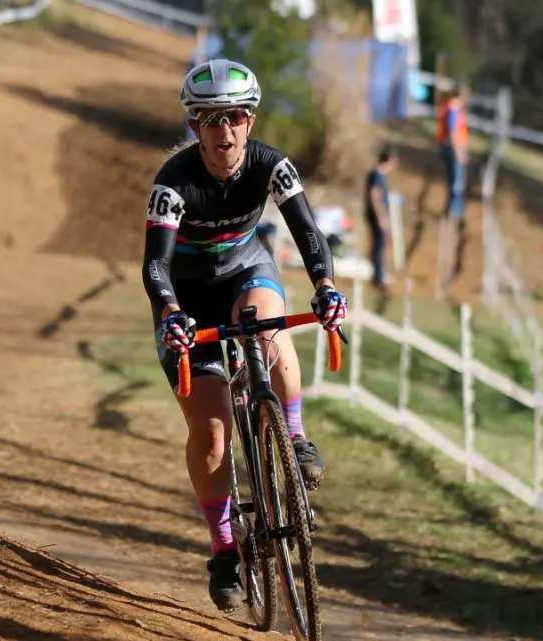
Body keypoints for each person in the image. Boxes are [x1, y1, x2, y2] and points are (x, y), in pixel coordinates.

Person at [143, 59, 348, 613]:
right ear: (193, 126)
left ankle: (296, 436)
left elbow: (308, 231)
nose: (223, 131)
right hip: (186, 299)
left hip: (244, 270)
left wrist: (325, 286)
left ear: (250, 121)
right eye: (210, 120)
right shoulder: (173, 184)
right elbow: (156, 266)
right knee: (211, 434)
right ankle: (225, 549)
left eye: (234, 117)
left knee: (265, 327)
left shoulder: (272, 166)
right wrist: (167, 312)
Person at [365, 146, 397, 290]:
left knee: (379, 246)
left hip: (376, 215)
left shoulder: (377, 175)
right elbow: (375, 195)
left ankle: (379, 274)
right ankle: (378, 278)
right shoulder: (377, 175)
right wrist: (381, 217)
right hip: (376, 216)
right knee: (378, 247)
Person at [435, 86, 469, 222]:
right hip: (453, 149)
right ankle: (454, 212)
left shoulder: (450, 108)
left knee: (453, 180)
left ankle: (454, 210)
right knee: (457, 182)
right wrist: (458, 152)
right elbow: (452, 132)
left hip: (449, 147)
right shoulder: (453, 110)